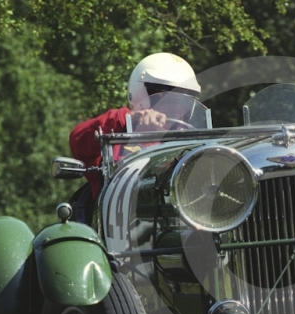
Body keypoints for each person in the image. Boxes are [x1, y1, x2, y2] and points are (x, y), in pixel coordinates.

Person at [68, 52, 201, 221]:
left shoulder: (193, 144)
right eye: (166, 99)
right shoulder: (117, 132)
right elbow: (77, 140)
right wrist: (130, 121)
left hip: (181, 229)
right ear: (142, 93)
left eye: (183, 102)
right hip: (121, 233)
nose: (176, 109)